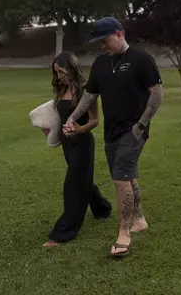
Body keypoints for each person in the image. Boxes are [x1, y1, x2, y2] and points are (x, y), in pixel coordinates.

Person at [63, 17, 163, 258]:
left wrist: (141, 125)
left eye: (105, 40)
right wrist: (73, 118)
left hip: (134, 130)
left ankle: (124, 232)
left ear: (119, 34)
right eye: (99, 42)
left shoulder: (141, 59)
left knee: (120, 178)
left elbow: (156, 94)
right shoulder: (100, 64)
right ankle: (139, 220)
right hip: (112, 132)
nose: (102, 46)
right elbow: (89, 96)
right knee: (127, 176)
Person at [42, 51, 113, 248]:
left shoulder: (86, 89)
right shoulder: (61, 90)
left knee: (73, 185)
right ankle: (103, 209)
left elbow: (95, 121)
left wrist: (79, 129)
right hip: (67, 144)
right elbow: (61, 118)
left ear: (72, 68)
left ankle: (63, 232)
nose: (59, 77)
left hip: (82, 143)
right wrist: (50, 129)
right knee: (83, 181)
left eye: (62, 72)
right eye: (56, 73)